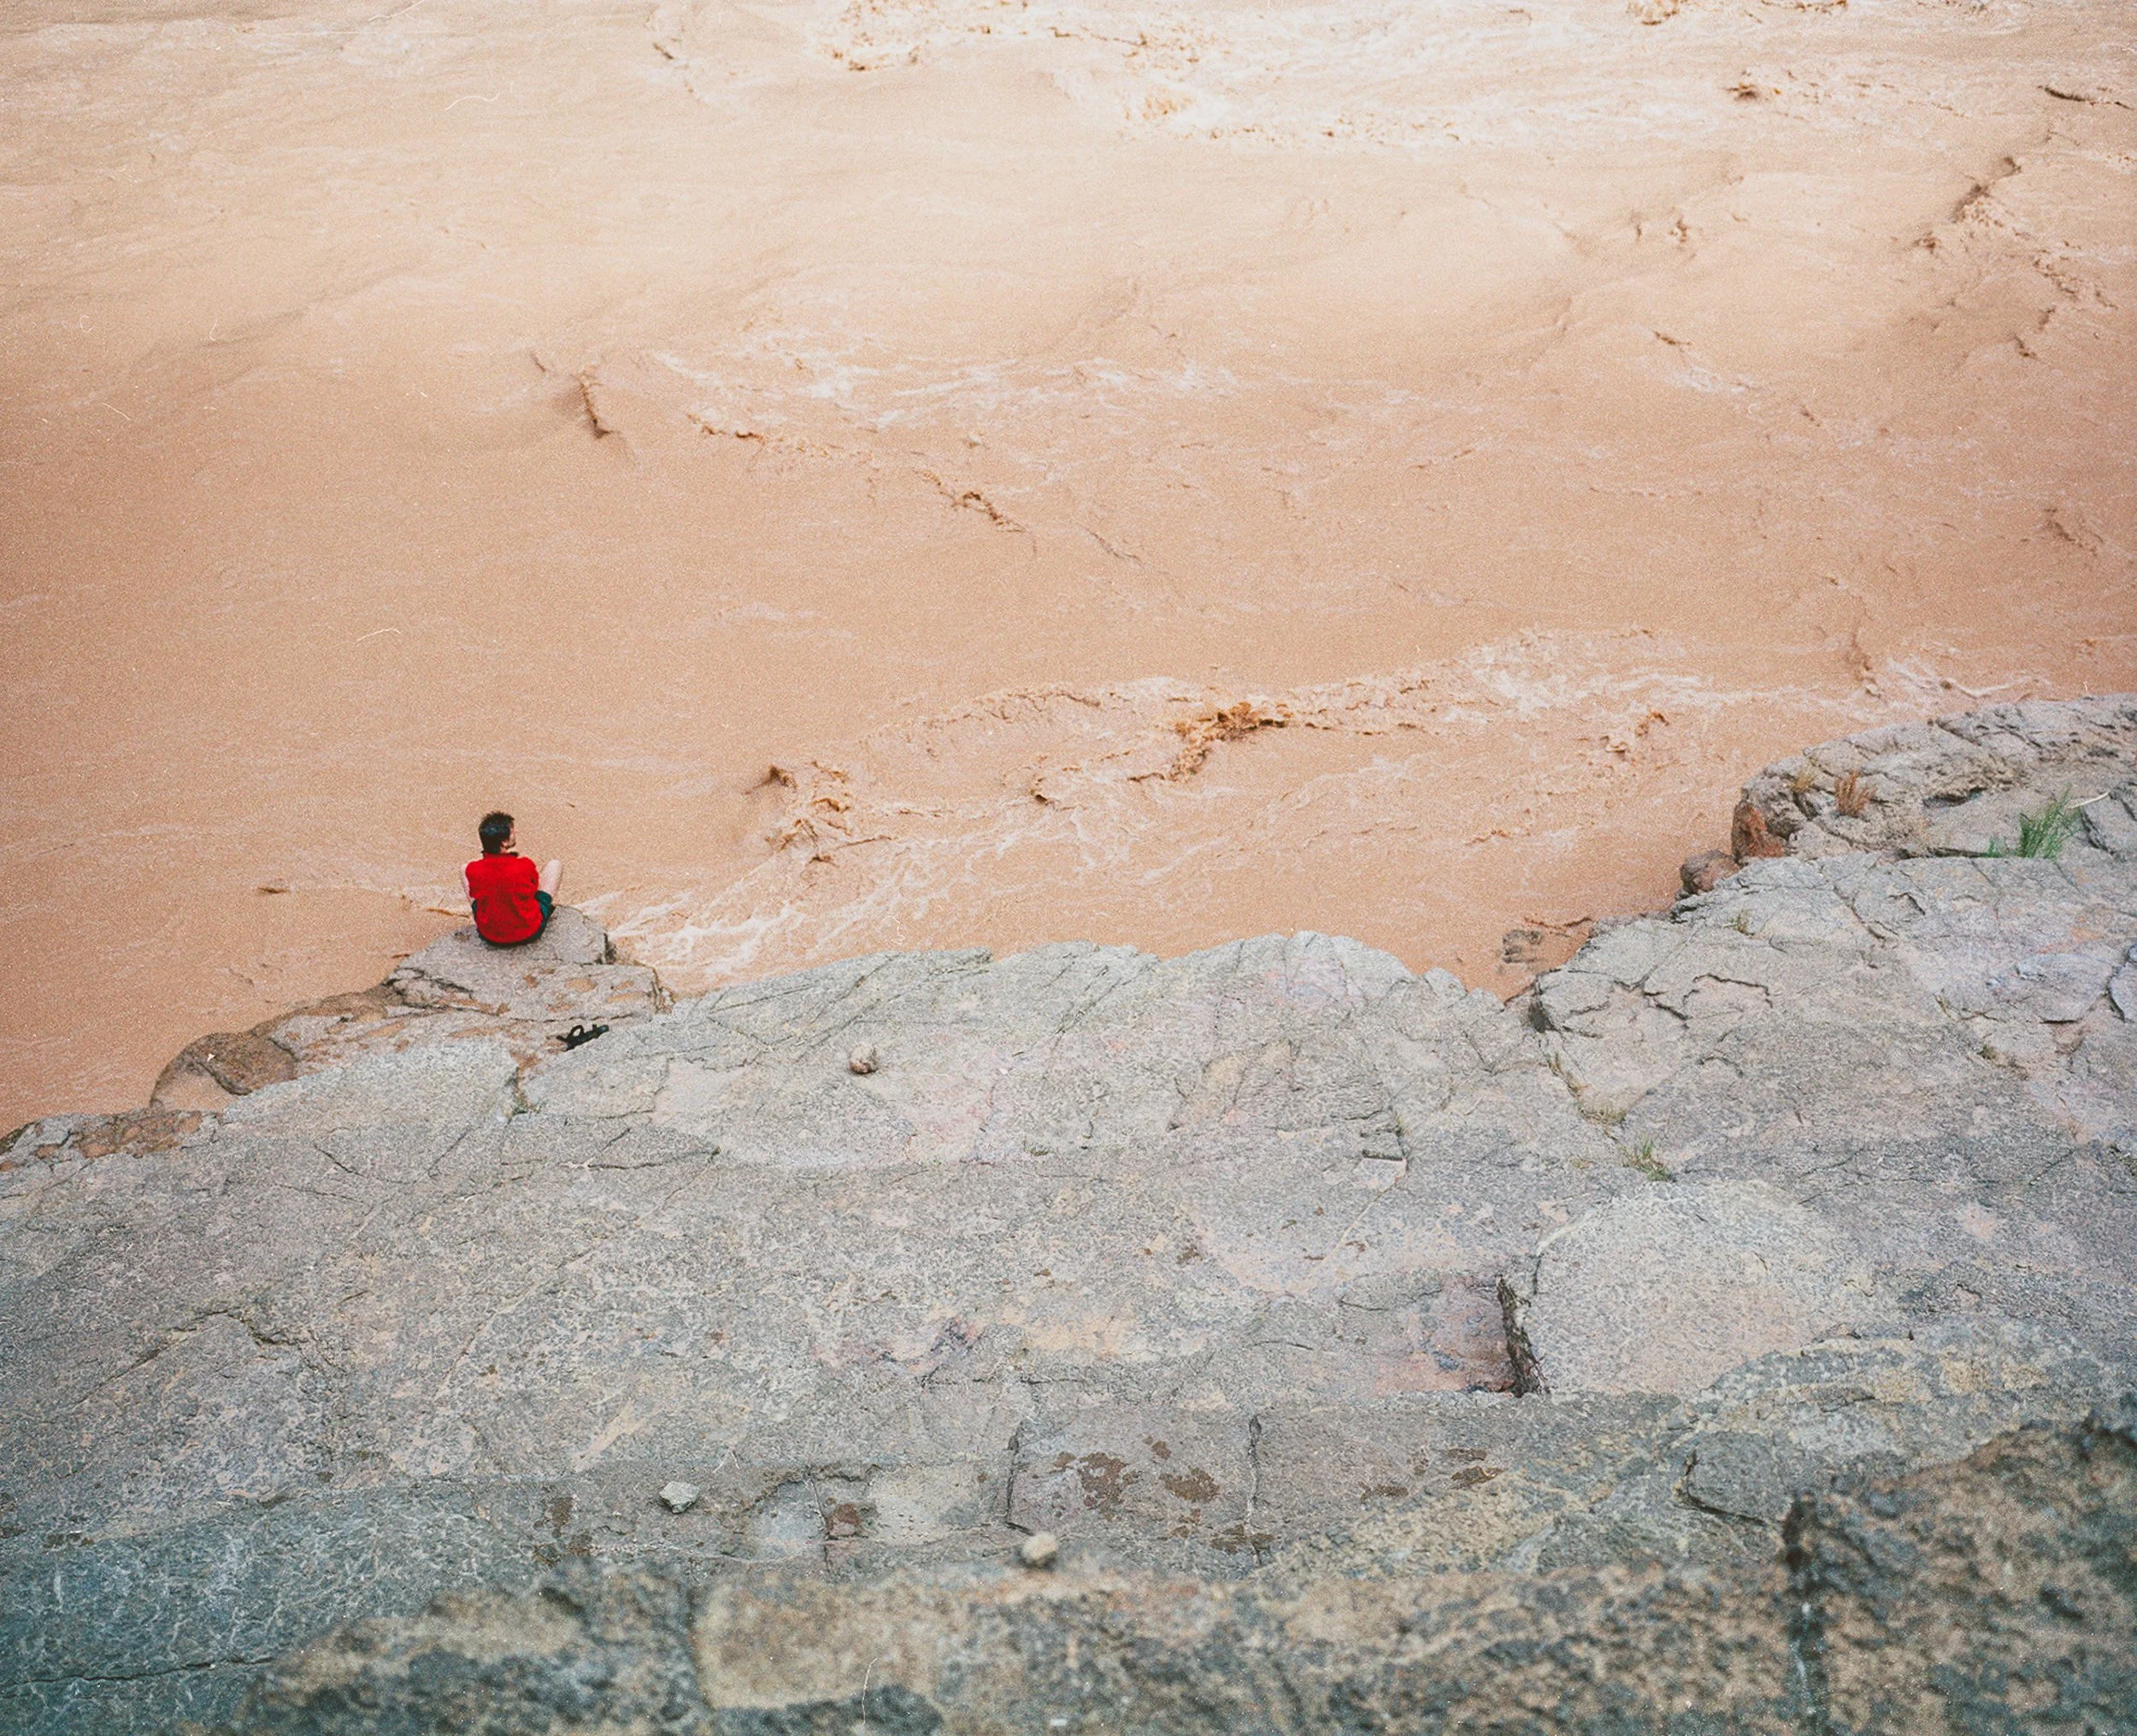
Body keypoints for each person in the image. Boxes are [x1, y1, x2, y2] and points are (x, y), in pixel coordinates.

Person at [463, 811, 562, 946]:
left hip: (489, 934)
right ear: (504, 842)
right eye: (512, 832)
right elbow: (534, 890)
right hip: (529, 932)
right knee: (555, 865)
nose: (515, 834)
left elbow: (475, 892)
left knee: (463, 869)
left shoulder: (473, 869)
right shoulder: (524, 865)